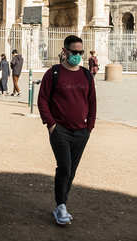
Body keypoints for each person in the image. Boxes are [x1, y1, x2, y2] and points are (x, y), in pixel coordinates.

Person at [37, 35, 96, 226]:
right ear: (65, 52)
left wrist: (90, 127)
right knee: (64, 166)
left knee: (72, 170)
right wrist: (51, 124)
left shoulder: (87, 75)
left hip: (81, 131)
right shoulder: (53, 73)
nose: (78, 55)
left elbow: (92, 102)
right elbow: (43, 99)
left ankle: (61, 203)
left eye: (81, 52)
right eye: (74, 52)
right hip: (60, 130)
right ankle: (61, 205)